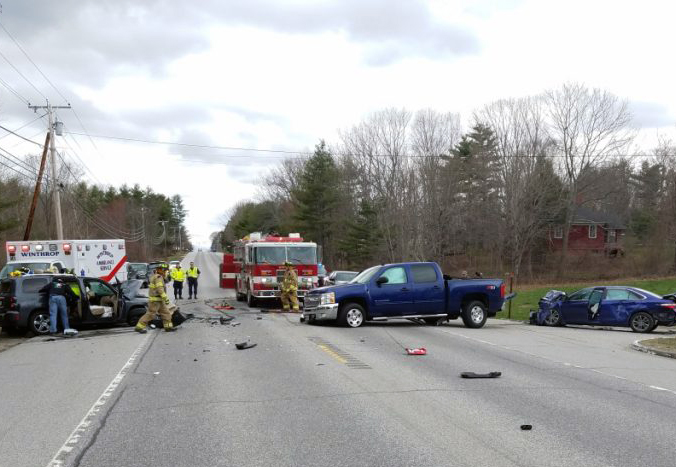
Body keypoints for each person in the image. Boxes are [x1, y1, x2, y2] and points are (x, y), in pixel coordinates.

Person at [135, 263, 175, 333]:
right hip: (155, 301)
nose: (166, 272)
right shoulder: (158, 277)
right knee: (150, 314)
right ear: (162, 270)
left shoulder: (157, 277)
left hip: (159, 300)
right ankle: (139, 327)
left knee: (166, 313)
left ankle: (168, 327)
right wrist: (166, 298)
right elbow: (160, 289)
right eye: (165, 271)